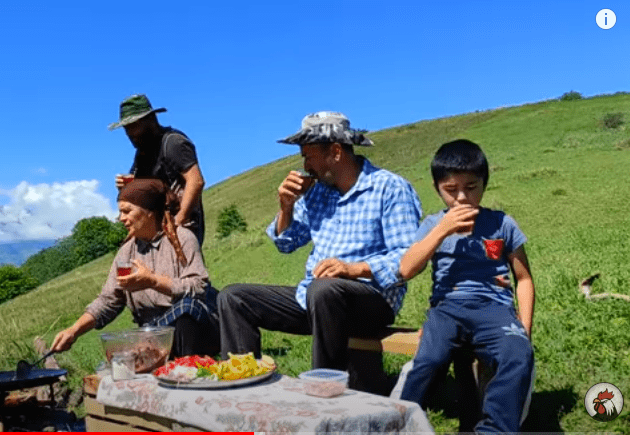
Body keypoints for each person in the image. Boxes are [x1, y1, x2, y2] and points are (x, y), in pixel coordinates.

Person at [218, 111, 422, 390]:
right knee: (233, 298)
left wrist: (353, 269)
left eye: (309, 156)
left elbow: (408, 257)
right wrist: (286, 207)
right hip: (315, 298)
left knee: (325, 289)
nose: (305, 165)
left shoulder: (389, 188)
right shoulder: (317, 193)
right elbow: (286, 244)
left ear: (335, 152)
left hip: (370, 299)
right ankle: (244, 389)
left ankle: (325, 392)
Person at [397, 139, 535, 433]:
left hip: (495, 308)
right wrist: (442, 229)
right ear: (437, 188)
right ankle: (397, 424)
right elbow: (407, 269)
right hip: (448, 309)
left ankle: (494, 429)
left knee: (518, 354)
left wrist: (524, 327)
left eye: (471, 187)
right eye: (451, 190)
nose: (461, 198)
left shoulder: (501, 224)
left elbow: (523, 278)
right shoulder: (433, 223)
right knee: (429, 360)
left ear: (484, 184)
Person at [50, 179, 220, 358]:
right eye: (120, 212)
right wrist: (74, 330)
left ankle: (189, 368)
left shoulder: (183, 238)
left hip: (194, 330)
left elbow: (199, 286)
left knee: (186, 308)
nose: (121, 218)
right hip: (153, 333)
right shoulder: (126, 252)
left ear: (149, 212)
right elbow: (109, 300)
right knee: (122, 349)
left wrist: (153, 281)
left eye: (127, 211)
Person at [108, 94, 206, 245]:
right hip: (157, 232)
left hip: (181, 228)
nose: (130, 133)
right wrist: (128, 187)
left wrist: (179, 221)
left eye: (134, 125)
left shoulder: (174, 143)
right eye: (126, 128)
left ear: (151, 119)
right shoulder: (142, 152)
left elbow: (196, 181)